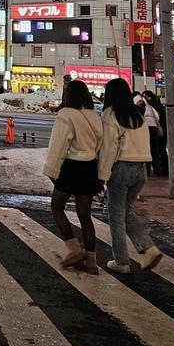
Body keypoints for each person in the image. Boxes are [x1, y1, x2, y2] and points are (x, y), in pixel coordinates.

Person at [97, 78, 164, 274]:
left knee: (116, 216)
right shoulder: (137, 114)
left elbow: (109, 148)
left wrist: (102, 175)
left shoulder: (111, 115)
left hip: (121, 169)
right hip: (141, 170)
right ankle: (148, 249)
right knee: (125, 211)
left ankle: (122, 262)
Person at [43, 79, 104, 274]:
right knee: (85, 215)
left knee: (57, 206)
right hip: (90, 168)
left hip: (72, 167)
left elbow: (59, 145)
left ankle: (74, 249)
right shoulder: (94, 116)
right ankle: (92, 261)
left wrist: (52, 170)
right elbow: (101, 145)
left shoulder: (66, 114)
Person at [139, 90, 167, 176]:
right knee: (157, 149)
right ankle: (159, 169)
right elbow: (158, 117)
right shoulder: (155, 107)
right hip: (156, 129)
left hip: (147, 129)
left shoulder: (145, 107)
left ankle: (148, 171)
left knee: (148, 149)